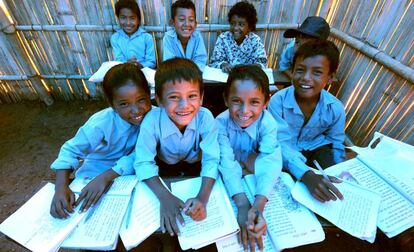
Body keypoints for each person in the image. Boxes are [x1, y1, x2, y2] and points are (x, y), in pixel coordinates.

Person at [50, 63, 152, 218]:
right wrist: (60, 188)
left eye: (141, 99)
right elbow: (70, 151)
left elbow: (143, 152)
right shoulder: (100, 123)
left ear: (149, 94)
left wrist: (108, 176)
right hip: (93, 177)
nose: (136, 110)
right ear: (112, 105)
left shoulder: (155, 118)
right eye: (124, 104)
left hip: (130, 177)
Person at [134, 58, 220, 236]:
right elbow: (143, 162)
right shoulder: (151, 120)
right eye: (174, 97)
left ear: (201, 97)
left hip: (195, 169)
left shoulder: (206, 118)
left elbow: (211, 159)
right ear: (159, 100)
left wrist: (202, 198)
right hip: (164, 169)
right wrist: (164, 197)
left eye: (192, 96)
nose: (184, 105)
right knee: (162, 230)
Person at [268, 40, 345, 202]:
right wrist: (306, 174)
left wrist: (339, 170)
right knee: (282, 190)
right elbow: (278, 143)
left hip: (316, 149)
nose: (305, 78)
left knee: (331, 185)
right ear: (292, 70)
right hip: (285, 152)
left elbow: (336, 144)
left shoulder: (335, 108)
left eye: (317, 72)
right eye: (300, 70)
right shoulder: (278, 102)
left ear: (330, 77)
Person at [216, 65, 282, 251]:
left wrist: (258, 205)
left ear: (266, 102)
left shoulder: (268, 123)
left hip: (251, 176)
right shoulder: (219, 124)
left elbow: (270, 160)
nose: (245, 111)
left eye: (254, 102)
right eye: (237, 101)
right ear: (225, 100)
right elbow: (226, 163)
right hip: (231, 179)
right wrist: (243, 205)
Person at [209, 1, 267, 73]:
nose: (236, 28)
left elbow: (262, 63)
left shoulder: (255, 41)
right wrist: (223, 65)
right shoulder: (223, 39)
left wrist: (248, 68)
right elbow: (214, 61)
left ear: (249, 27)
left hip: (248, 80)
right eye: (233, 23)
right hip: (226, 80)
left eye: (241, 24)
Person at [162, 0, 207, 71]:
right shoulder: (168, 38)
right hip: (176, 76)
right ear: (172, 22)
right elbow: (169, 63)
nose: (187, 24)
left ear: (195, 24)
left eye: (191, 20)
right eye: (182, 19)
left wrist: (191, 73)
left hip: (194, 75)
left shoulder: (197, 36)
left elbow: (200, 60)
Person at [110, 0, 156, 68]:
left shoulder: (147, 38)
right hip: (124, 71)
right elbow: (118, 60)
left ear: (138, 19)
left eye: (132, 18)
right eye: (123, 18)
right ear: (118, 18)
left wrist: (140, 65)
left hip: (143, 71)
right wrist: (127, 64)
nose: (128, 23)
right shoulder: (115, 38)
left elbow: (151, 62)